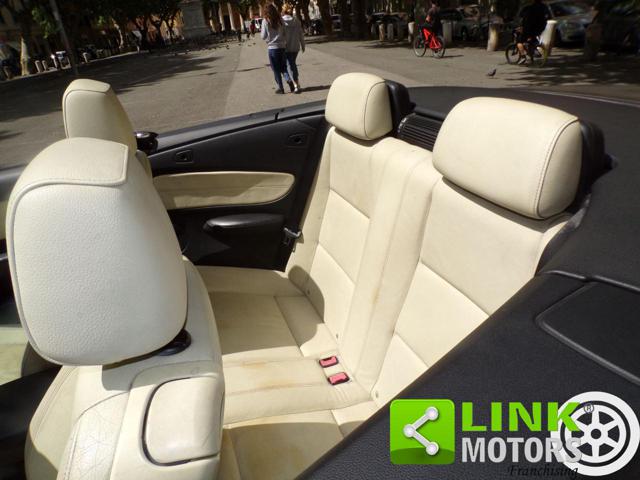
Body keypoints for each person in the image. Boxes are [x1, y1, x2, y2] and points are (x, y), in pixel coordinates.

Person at [261, 3, 287, 94]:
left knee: (276, 69)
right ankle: (289, 80)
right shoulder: (280, 19)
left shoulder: (265, 21)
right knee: (283, 67)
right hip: (282, 46)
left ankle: (281, 88)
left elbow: (263, 36)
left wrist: (268, 37)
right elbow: (285, 32)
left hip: (272, 48)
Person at [281, 3, 305, 94]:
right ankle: (296, 83)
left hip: (286, 47)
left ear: (283, 11)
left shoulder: (281, 21)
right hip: (295, 46)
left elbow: (280, 35)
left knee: (291, 66)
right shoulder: (296, 20)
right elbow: (301, 34)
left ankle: (296, 85)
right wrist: (303, 45)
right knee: (292, 64)